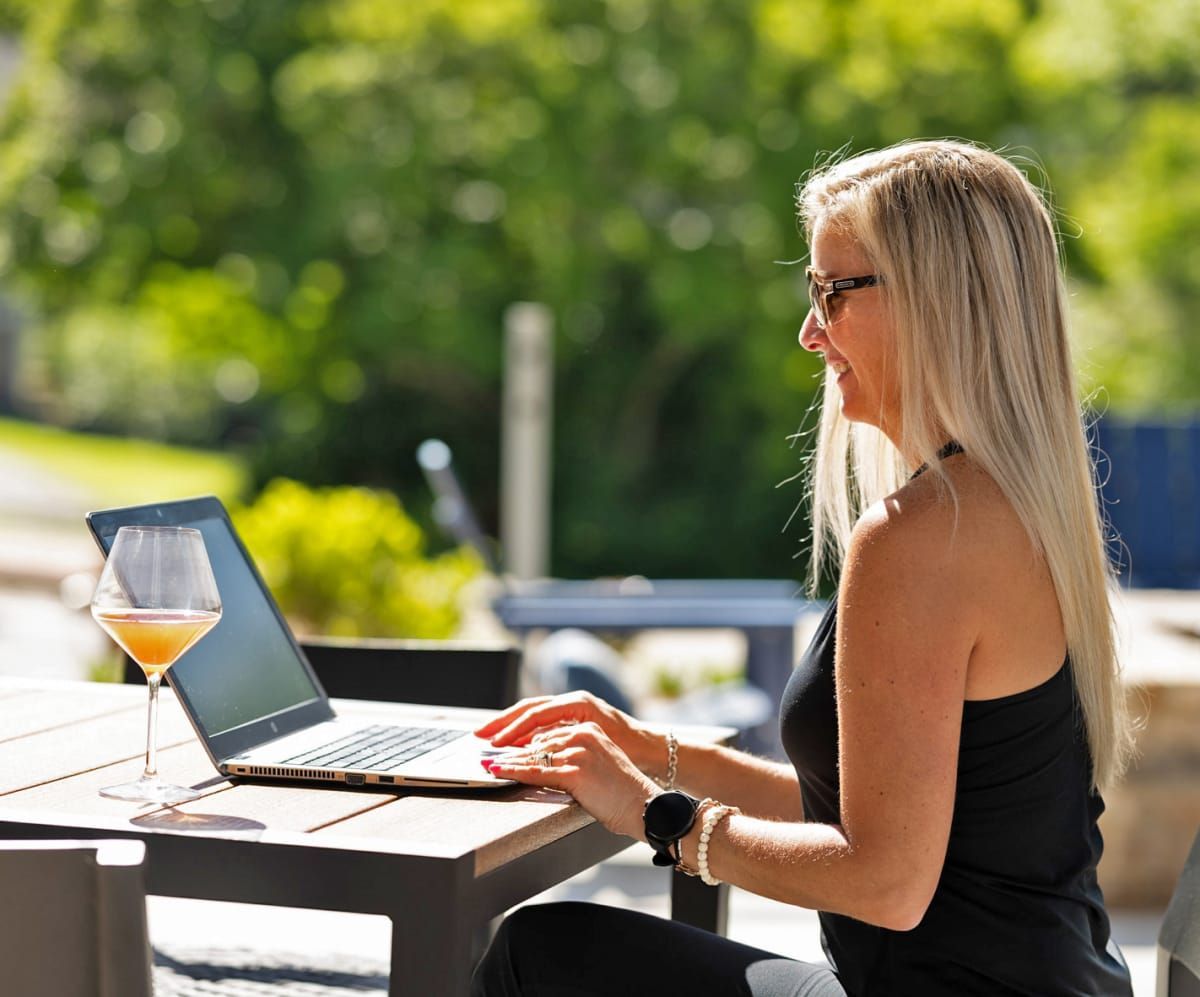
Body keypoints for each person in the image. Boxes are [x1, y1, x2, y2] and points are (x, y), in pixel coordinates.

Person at [470, 139, 1135, 996]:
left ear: (938, 300)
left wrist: (655, 814)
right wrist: (651, 753)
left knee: (540, 953)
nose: (809, 331)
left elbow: (885, 882)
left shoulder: (924, 535)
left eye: (833, 291)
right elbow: (876, 812)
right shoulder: (1018, 506)